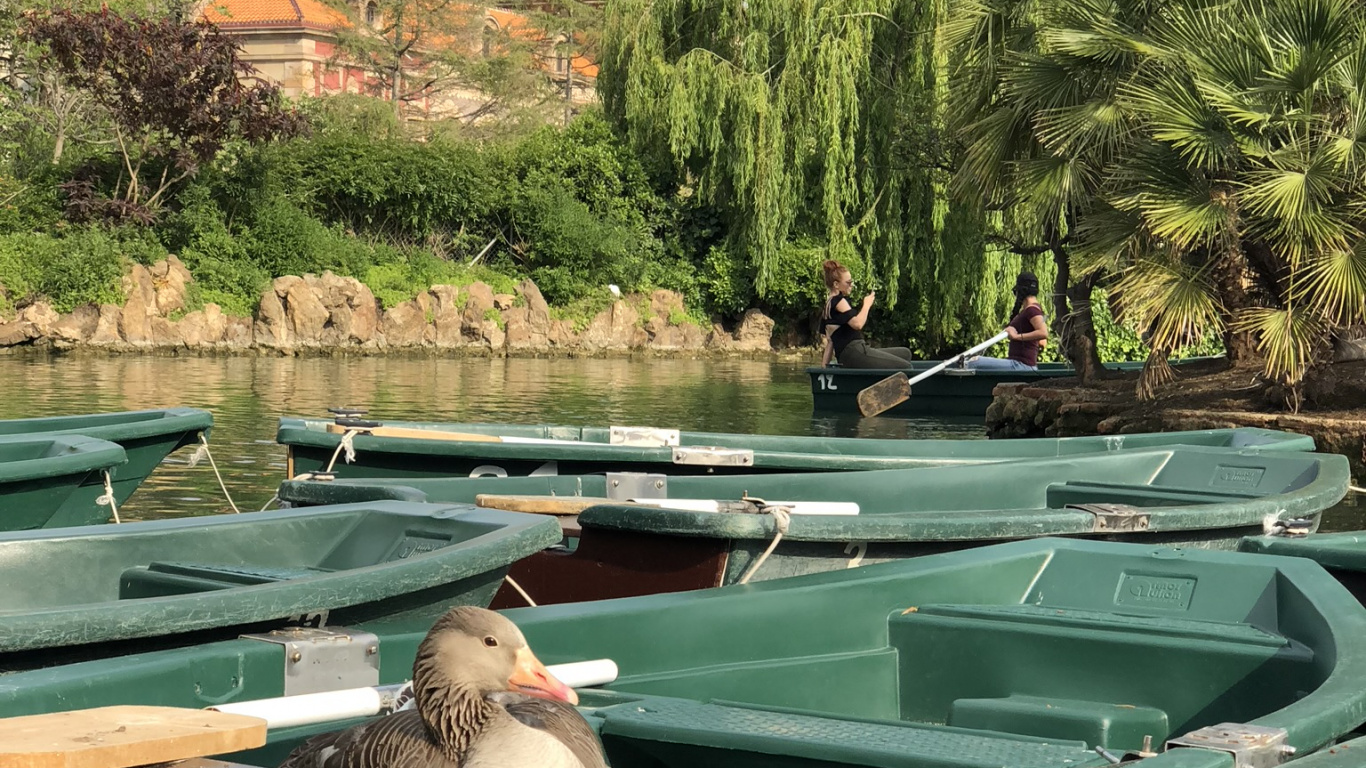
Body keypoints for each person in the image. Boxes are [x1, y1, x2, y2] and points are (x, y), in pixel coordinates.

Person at [819, 260, 914, 369]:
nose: (851, 285)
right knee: (906, 367)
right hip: (854, 352)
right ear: (836, 284)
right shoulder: (839, 301)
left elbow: (830, 342)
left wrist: (824, 369)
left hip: (852, 353)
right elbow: (858, 324)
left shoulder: (828, 305)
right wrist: (867, 304)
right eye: (848, 283)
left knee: (905, 354)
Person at [968, 271, 1048, 371]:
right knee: (973, 362)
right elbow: (1042, 342)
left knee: (974, 362)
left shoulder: (1032, 310)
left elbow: (1043, 333)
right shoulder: (1033, 309)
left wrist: (1016, 336)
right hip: (1020, 364)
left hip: (1021, 365)